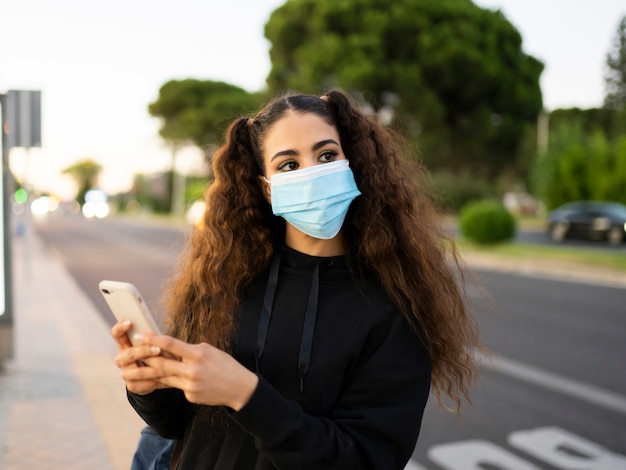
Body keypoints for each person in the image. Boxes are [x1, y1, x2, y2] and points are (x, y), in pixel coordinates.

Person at [112, 89, 480, 469]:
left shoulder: (394, 308)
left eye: (326, 155)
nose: (313, 173)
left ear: (352, 163)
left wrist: (246, 395)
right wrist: (149, 390)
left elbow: (367, 459)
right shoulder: (224, 279)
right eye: (289, 165)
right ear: (267, 189)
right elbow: (175, 424)